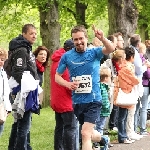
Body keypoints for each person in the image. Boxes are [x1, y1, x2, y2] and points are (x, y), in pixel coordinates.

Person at [55, 25, 115, 150]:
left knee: (85, 134)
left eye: (81, 38)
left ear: (86, 38)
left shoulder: (94, 52)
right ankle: (103, 139)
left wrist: (102, 38)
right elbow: (57, 76)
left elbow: (111, 48)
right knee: (89, 133)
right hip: (77, 101)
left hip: (94, 100)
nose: (79, 42)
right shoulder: (67, 56)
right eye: (75, 39)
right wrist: (68, 84)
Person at [8, 24, 39, 150]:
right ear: (24, 34)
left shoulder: (26, 48)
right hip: (24, 93)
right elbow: (18, 71)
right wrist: (27, 88)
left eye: (35, 33)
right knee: (24, 126)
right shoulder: (21, 49)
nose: (34, 36)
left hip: (26, 91)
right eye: (31, 33)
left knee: (19, 124)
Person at [50, 39, 78, 150]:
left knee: (59, 128)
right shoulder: (66, 62)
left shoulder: (56, 60)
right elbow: (69, 84)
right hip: (66, 102)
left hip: (57, 100)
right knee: (70, 129)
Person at [113, 46, 139, 143]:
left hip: (124, 91)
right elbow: (134, 80)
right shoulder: (125, 68)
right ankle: (122, 137)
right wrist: (137, 80)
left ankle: (123, 136)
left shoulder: (122, 68)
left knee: (122, 116)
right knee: (122, 116)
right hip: (124, 92)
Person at [0, 48, 12, 137]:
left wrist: (7, 107)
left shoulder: (3, 73)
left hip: (2, 107)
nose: (0, 62)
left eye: (2, 60)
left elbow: (6, 92)